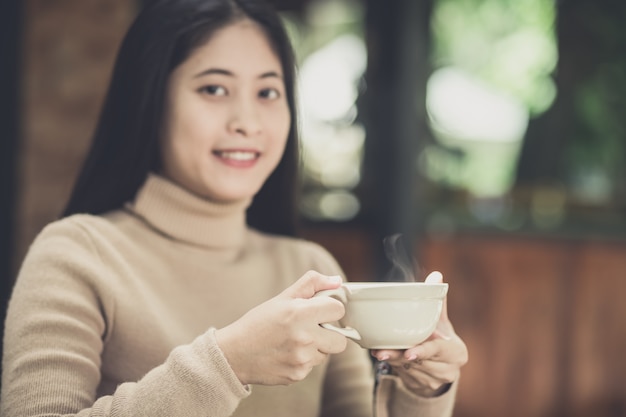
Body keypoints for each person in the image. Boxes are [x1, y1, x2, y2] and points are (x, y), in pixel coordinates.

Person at [0, 0, 468, 416]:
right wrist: (227, 364)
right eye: (214, 89)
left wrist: (423, 392)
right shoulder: (76, 253)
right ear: (150, 100)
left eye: (268, 93)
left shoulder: (309, 266)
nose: (247, 122)